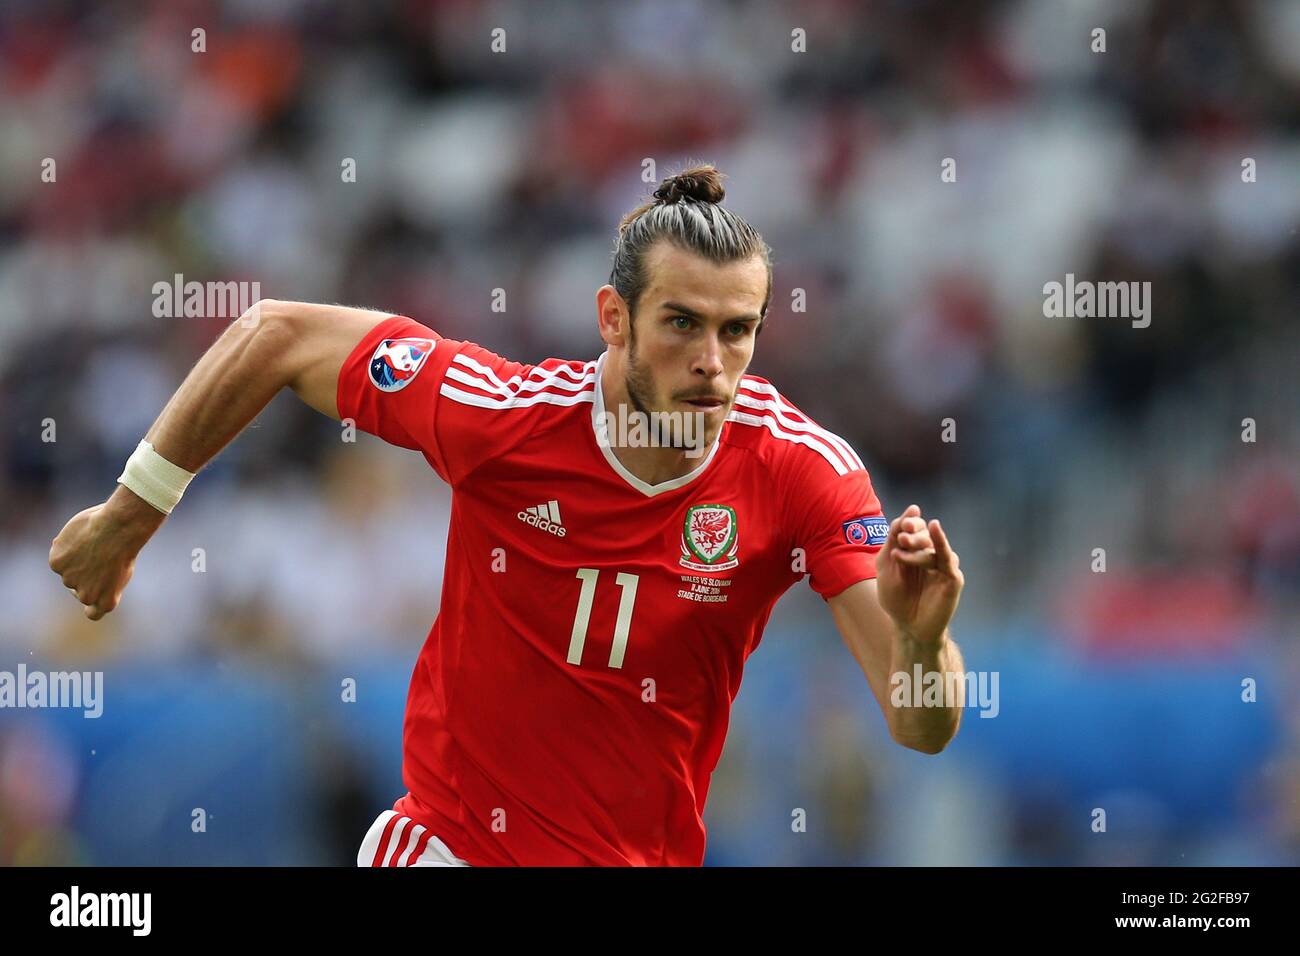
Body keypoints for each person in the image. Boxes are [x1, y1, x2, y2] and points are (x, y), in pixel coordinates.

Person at [49, 164, 966, 866]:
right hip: (452, 846)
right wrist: (127, 519)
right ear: (614, 317)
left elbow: (919, 725)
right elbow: (276, 335)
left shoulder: (802, 471)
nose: (713, 363)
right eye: (681, 323)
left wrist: (923, 646)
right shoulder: (501, 416)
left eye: (738, 330)